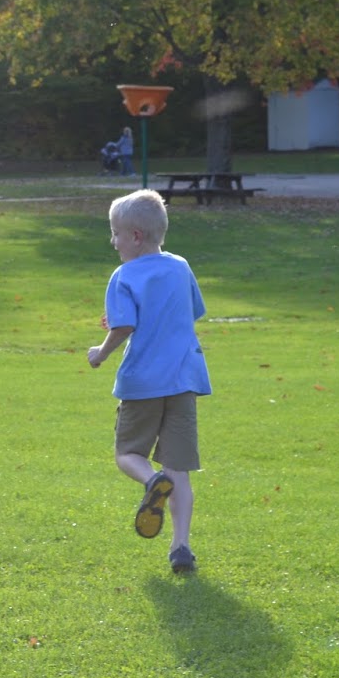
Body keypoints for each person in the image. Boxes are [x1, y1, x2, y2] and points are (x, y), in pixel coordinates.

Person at [86, 189, 211, 574]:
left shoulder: (123, 275)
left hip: (143, 381)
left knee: (127, 454)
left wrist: (101, 352)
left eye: (116, 233)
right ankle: (181, 548)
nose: (113, 241)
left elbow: (125, 325)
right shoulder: (180, 266)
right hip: (184, 379)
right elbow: (192, 311)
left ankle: (151, 480)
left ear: (135, 236)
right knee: (179, 468)